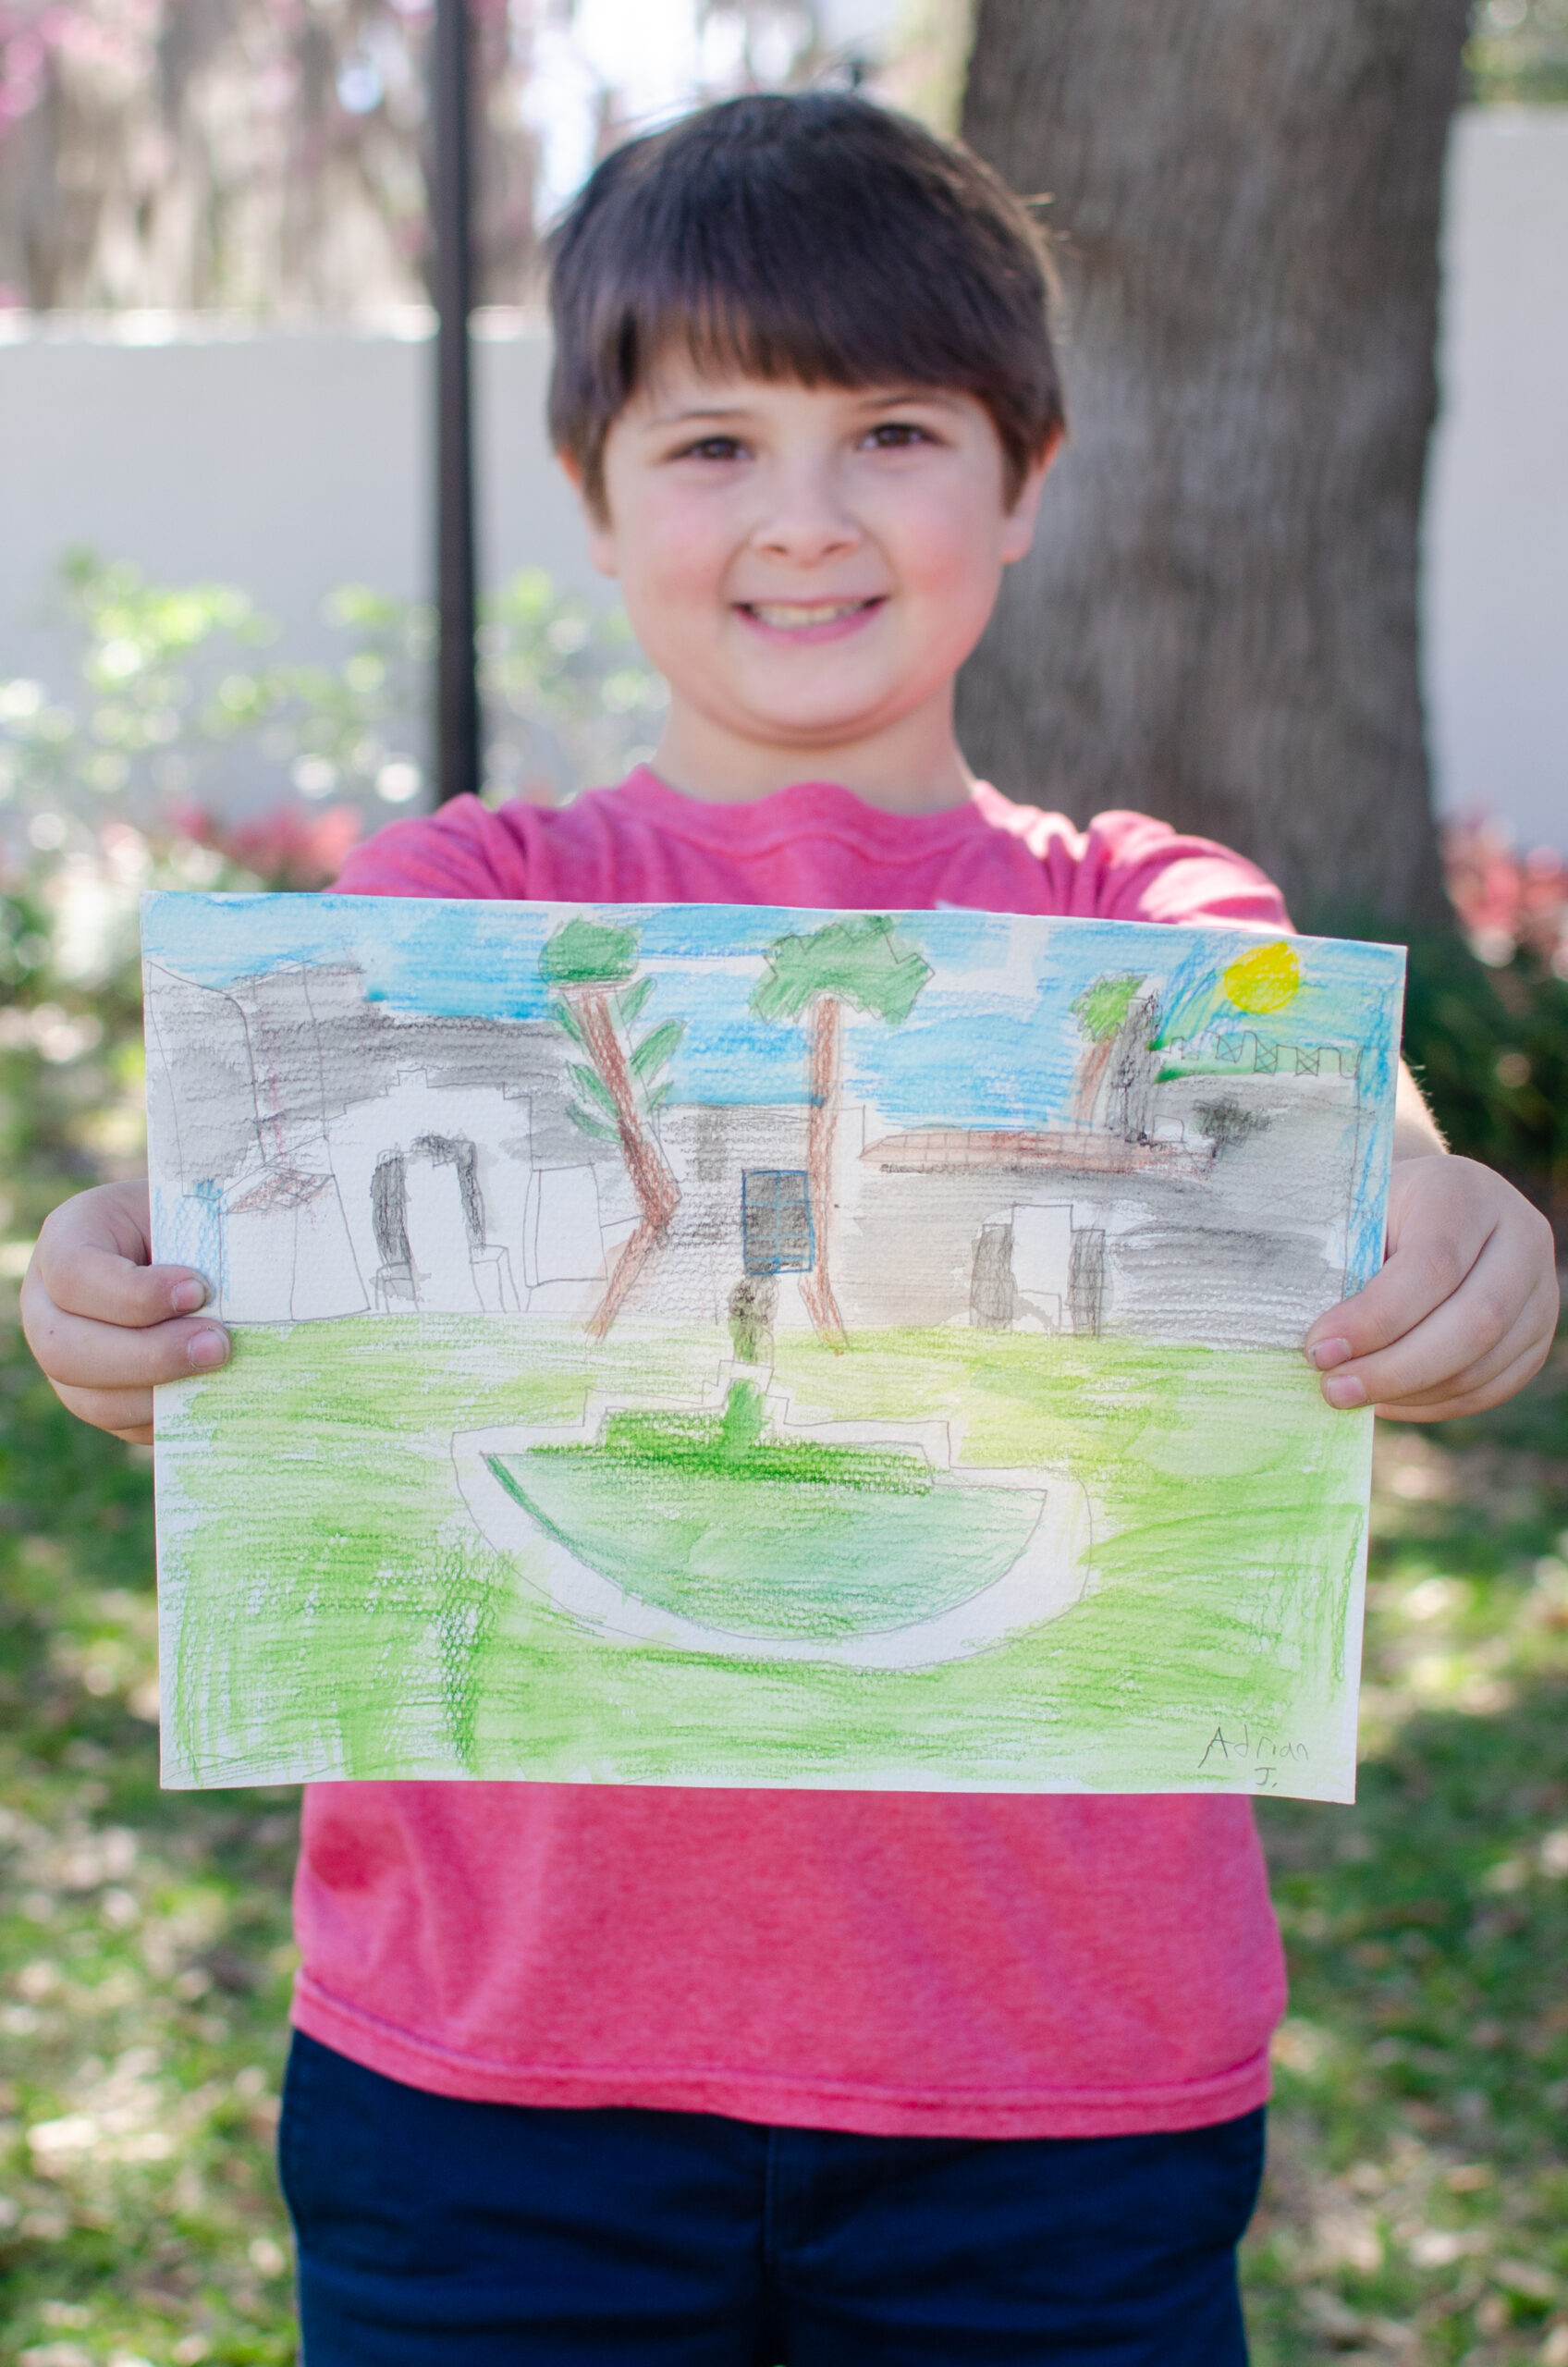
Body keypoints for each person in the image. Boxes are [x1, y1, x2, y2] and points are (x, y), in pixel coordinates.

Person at [21, 92, 1558, 2367]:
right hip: (486, 2092)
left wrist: (1451, 1224)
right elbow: (234, 1325)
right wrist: (106, 1313)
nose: (806, 518)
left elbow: (1342, 1131)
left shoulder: (1146, 913)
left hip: (1057, 2105)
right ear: (597, 497)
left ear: (1026, 476)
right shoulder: (449, 912)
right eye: (713, 442)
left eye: (894, 431)